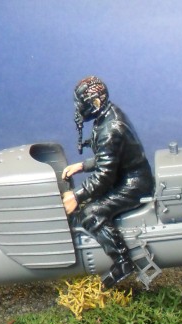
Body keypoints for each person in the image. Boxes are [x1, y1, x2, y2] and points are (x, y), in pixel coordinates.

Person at [61, 76, 153, 288]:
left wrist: (77, 196)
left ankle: (122, 262)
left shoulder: (110, 128)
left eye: (81, 104)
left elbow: (105, 176)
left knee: (90, 213)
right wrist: (82, 166)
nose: (79, 109)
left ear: (94, 102)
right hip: (127, 175)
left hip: (133, 185)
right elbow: (110, 157)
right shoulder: (106, 117)